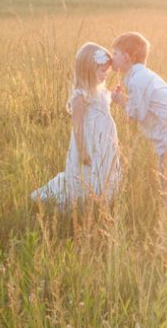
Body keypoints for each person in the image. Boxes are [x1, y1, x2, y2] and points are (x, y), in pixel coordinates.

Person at [31, 42, 121, 208]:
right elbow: (77, 125)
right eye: (102, 71)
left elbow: (108, 99)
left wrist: (115, 95)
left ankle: (101, 199)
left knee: (103, 170)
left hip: (104, 142)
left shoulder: (100, 91)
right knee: (87, 171)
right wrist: (81, 150)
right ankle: (81, 201)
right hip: (88, 142)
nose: (106, 76)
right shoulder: (80, 96)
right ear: (88, 71)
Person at [110, 32, 167, 203]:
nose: (111, 58)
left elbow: (137, 113)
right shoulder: (142, 76)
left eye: (115, 54)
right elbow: (143, 107)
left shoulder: (137, 80)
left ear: (126, 57)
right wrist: (125, 100)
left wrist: (121, 101)